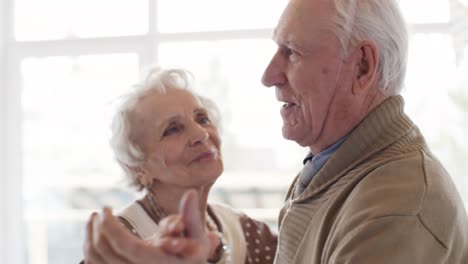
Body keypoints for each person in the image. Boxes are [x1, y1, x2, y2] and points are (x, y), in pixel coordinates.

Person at [84, 0, 468, 263]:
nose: (268, 75)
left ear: (363, 67)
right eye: (171, 129)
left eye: (293, 52)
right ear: (139, 167)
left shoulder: (396, 210)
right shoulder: (328, 172)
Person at [81, 67, 277, 264]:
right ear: (139, 168)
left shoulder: (245, 231)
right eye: (172, 129)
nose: (201, 134)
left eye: (203, 119)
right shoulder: (120, 244)